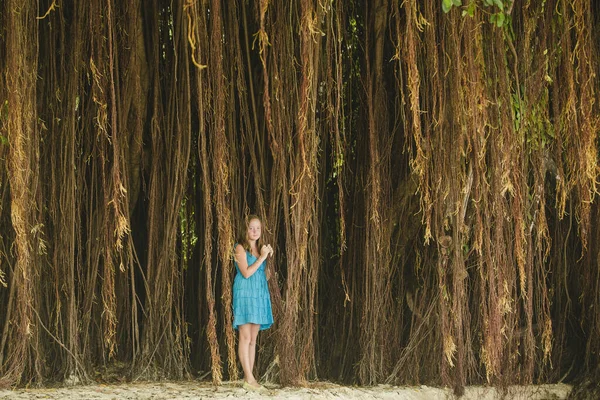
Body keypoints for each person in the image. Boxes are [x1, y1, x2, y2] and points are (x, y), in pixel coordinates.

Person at [232, 215, 274, 392]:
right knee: (245, 337)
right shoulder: (240, 248)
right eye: (251, 228)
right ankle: (249, 378)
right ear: (245, 229)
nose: (255, 231)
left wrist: (268, 257)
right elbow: (246, 273)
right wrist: (262, 258)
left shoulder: (260, 250)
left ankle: (249, 378)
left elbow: (265, 275)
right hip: (244, 293)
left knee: (253, 339)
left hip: (258, 295)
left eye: (258, 228)